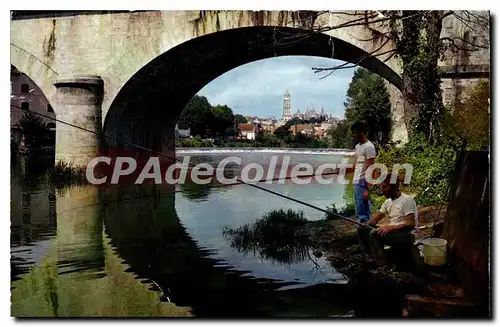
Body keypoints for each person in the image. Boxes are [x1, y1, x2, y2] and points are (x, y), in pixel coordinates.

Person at [357, 174, 418, 264]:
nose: (383, 191)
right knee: (362, 229)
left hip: (407, 234)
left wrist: (391, 227)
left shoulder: (406, 200)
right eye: (382, 187)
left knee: (376, 234)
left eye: (385, 188)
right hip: (394, 232)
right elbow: (375, 219)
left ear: (393, 187)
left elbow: (410, 224)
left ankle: (382, 262)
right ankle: (371, 255)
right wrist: (368, 223)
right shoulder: (387, 202)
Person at [350, 121, 377, 224]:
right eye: (352, 132)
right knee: (359, 211)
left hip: (363, 183)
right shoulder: (358, 146)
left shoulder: (369, 147)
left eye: (355, 132)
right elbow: (356, 165)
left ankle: (367, 233)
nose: (353, 135)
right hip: (356, 182)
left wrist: (368, 189)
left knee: (364, 214)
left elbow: (371, 168)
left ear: (362, 132)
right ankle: (362, 233)